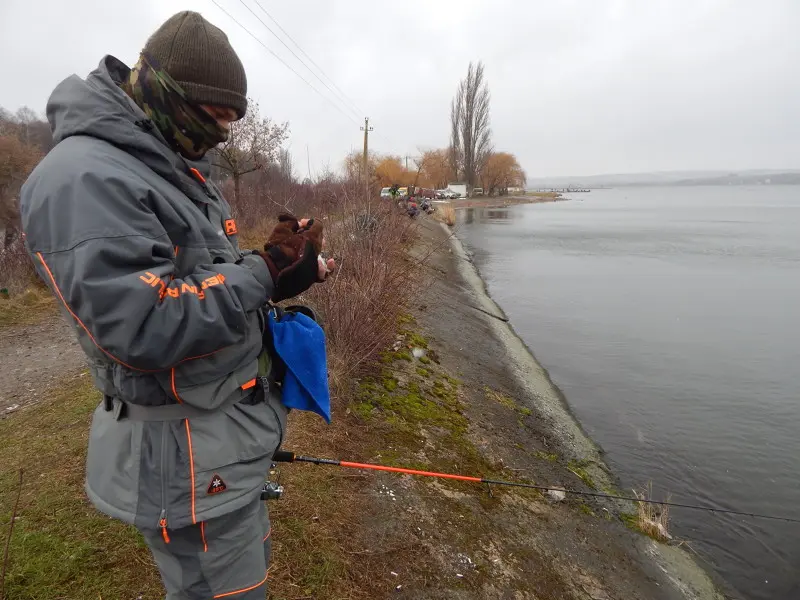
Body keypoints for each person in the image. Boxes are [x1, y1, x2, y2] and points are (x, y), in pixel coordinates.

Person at [19, 11, 333, 599]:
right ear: (164, 90)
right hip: (183, 458)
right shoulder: (85, 176)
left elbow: (199, 276)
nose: (222, 134)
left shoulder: (168, 162)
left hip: (219, 445)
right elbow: (144, 326)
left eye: (230, 122)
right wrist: (264, 271)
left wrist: (279, 270)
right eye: (213, 117)